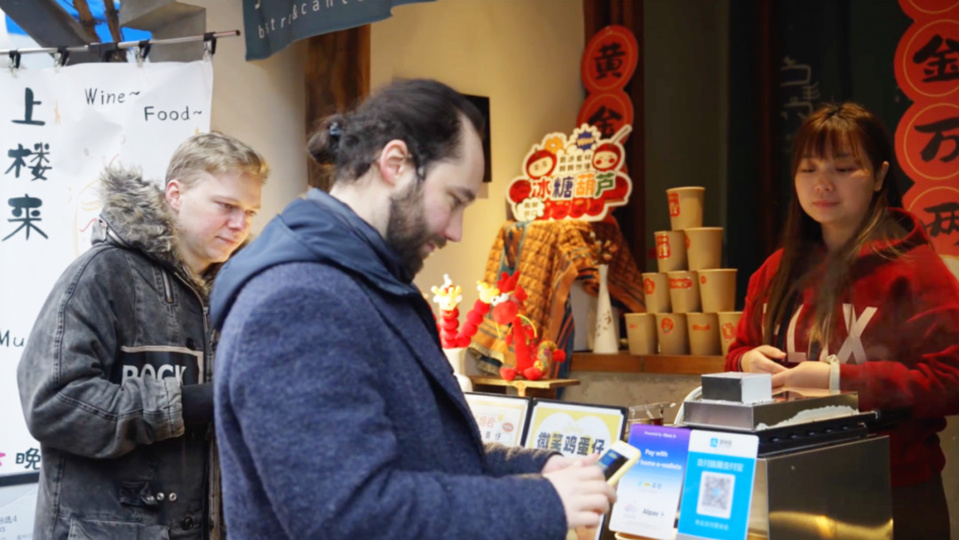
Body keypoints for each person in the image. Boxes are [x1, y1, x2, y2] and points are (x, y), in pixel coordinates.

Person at [209, 78, 616, 540]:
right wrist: (546, 503)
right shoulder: (299, 299)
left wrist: (541, 468)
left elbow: (425, 458)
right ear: (396, 164)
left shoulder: (365, 281)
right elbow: (351, 515)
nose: (457, 230)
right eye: (455, 200)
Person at [17, 132, 268, 540]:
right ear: (175, 194)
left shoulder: (245, 291)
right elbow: (52, 403)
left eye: (251, 212)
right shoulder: (102, 274)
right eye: (226, 206)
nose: (240, 224)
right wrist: (185, 405)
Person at [726, 102, 959, 538]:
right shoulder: (775, 271)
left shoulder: (916, 271)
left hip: (893, 492)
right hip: (781, 486)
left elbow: (952, 378)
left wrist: (837, 382)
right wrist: (744, 363)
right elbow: (738, 350)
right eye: (808, 169)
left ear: (879, 176)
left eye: (844, 168)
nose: (822, 184)